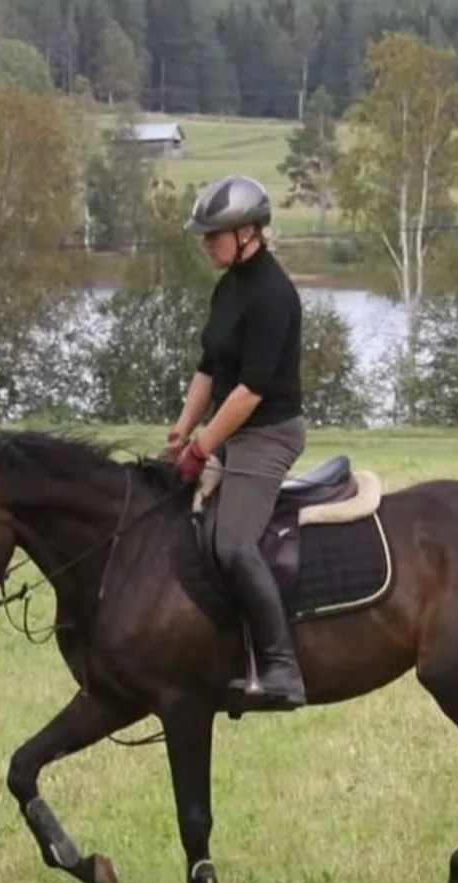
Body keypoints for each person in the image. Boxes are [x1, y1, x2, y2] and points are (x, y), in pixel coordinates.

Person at [165, 174, 307, 712]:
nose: (206, 243)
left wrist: (203, 448)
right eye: (205, 235)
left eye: (215, 234)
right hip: (230, 428)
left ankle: (280, 667)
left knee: (232, 543)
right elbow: (210, 369)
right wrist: (181, 433)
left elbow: (249, 393)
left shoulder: (273, 295)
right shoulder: (229, 287)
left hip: (266, 435)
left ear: (248, 232)